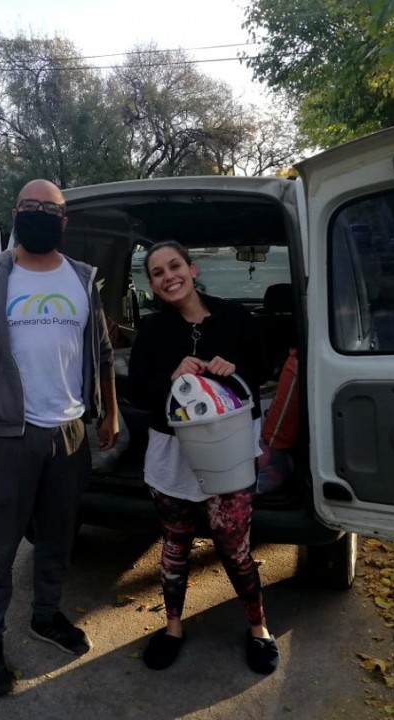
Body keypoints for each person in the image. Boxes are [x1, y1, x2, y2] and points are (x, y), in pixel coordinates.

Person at [0, 179, 119, 697]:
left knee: (59, 536)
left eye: (50, 208)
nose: (40, 213)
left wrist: (110, 414)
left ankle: (45, 614)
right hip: (5, 436)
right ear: (17, 213)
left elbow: (102, 352)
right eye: (31, 206)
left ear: (63, 220)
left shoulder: (82, 279)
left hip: (70, 433)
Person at [126, 240, 280, 675]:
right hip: (172, 456)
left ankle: (258, 627)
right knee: (174, 544)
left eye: (174, 266)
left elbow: (263, 371)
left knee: (235, 547)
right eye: (157, 273)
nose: (168, 276)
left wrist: (235, 372)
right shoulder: (154, 333)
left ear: (192, 269)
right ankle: (173, 627)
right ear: (153, 285)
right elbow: (138, 390)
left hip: (227, 453)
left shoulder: (234, 317)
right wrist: (172, 376)